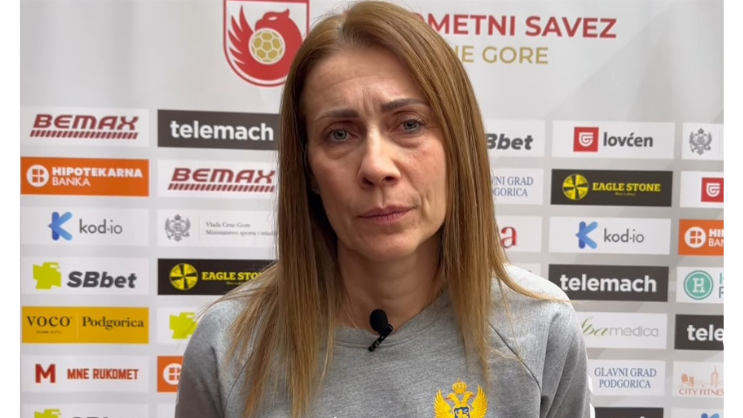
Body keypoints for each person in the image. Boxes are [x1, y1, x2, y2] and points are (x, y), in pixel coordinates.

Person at [174, 1, 593, 417]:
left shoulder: (541, 331)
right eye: (339, 134)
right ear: (309, 171)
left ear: (458, 147)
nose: (376, 166)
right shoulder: (229, 347)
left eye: (409, 124)